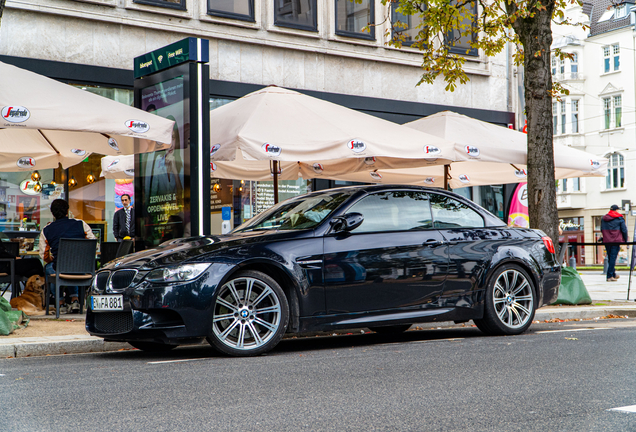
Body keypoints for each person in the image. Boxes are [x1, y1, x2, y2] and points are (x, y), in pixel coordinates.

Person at [38, 199, 96, 313]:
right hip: (82, 269)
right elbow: (92, 243)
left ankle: (60, 303)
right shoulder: (81, 224)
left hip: (60, 269)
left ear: (52, 213)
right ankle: (75, 300)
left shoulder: (47, 230)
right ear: (67, 211)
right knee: (72, 266)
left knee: (49, 267)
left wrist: (52, 259)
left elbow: (43, 255)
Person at [601, 204, 628, 282]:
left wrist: (605, 237)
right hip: (615, 241)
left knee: (610, 258)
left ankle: (613, 274)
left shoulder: (604, 218)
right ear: (616, 210)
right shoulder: (619, 218)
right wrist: (625, 240)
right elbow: (624, 230)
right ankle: (609, 276)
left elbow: (601, 229)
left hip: (607, 240)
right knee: (613, 258)